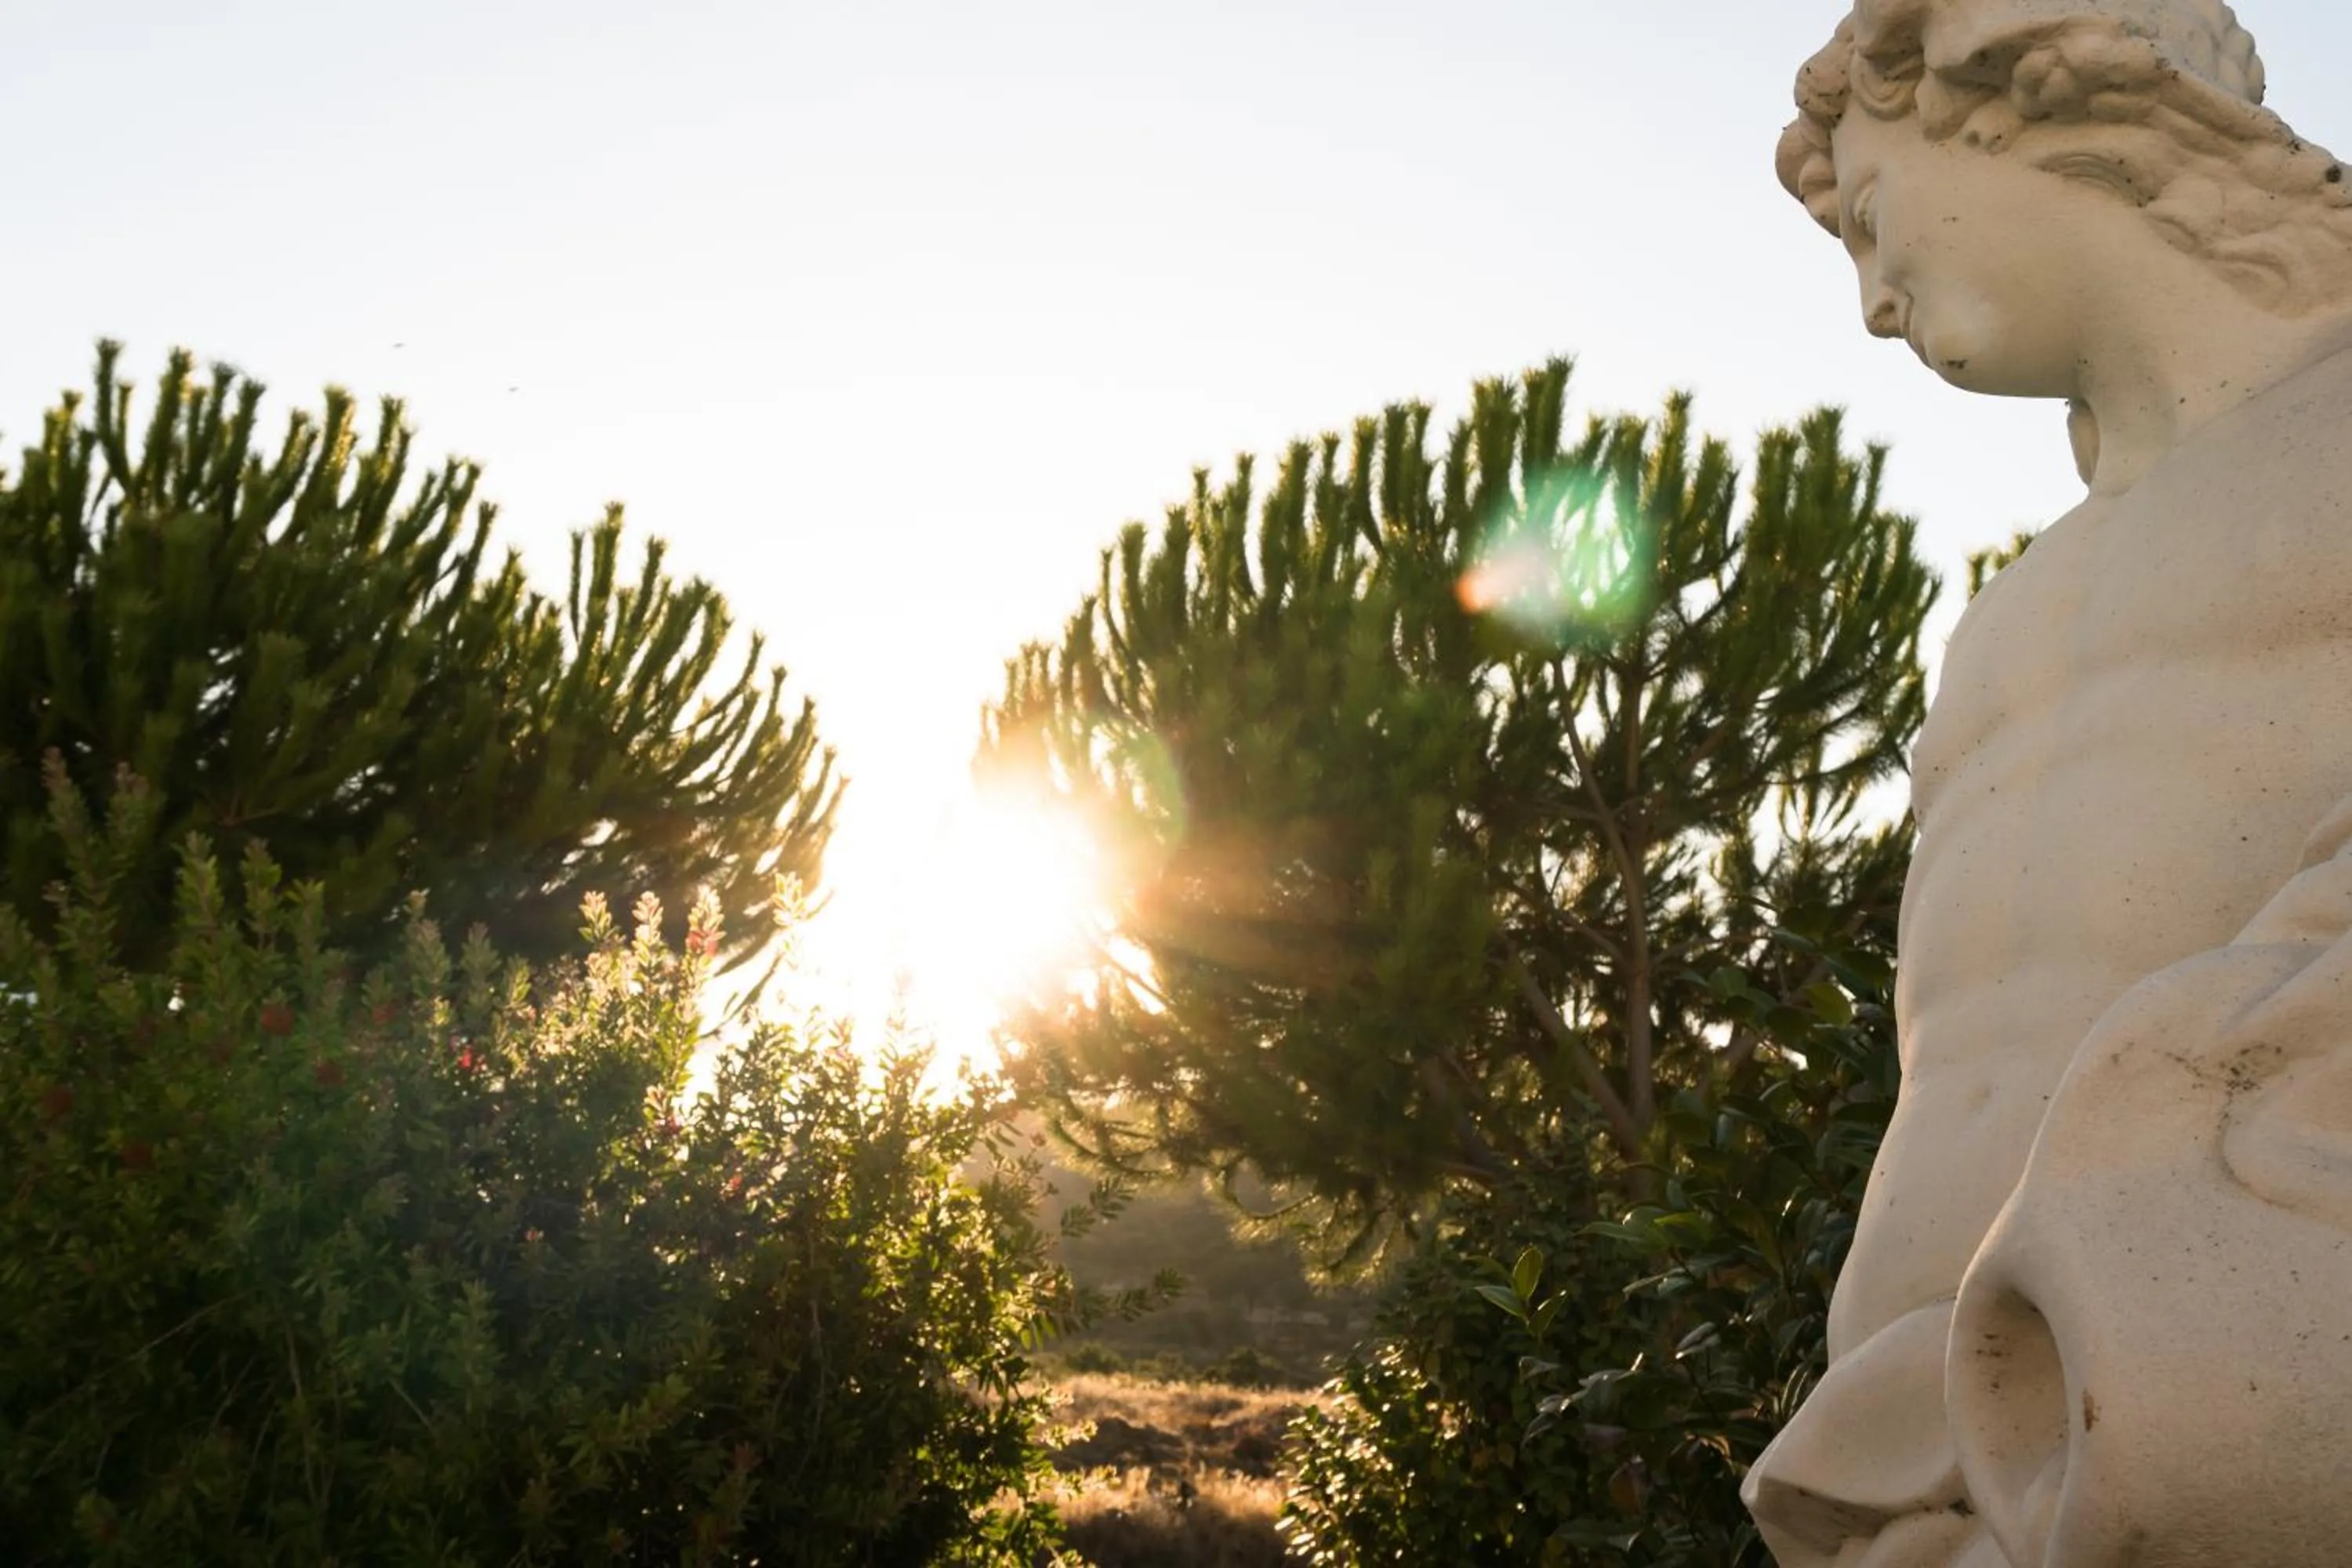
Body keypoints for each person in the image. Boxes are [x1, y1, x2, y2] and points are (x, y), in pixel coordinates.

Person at [1749, 3, 2352, 1563]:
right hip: (1901, 1457)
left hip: (2191, 1418)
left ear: (2012, 97)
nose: (1876, 306)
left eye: (1873, 225)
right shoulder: (2014, 611)